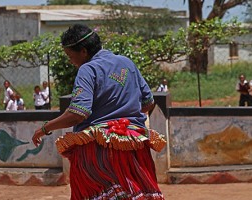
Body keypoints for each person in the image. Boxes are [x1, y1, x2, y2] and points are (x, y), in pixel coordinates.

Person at [32, 24, 165, 199]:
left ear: (84, 52)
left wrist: (45, 128)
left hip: (99, 150)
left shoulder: (88, 69)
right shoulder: (127, 63)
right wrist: (124, 114)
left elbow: (79, 113)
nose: (71, 61)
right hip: (135, 146)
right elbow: (148, 103)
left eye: (70, 56)